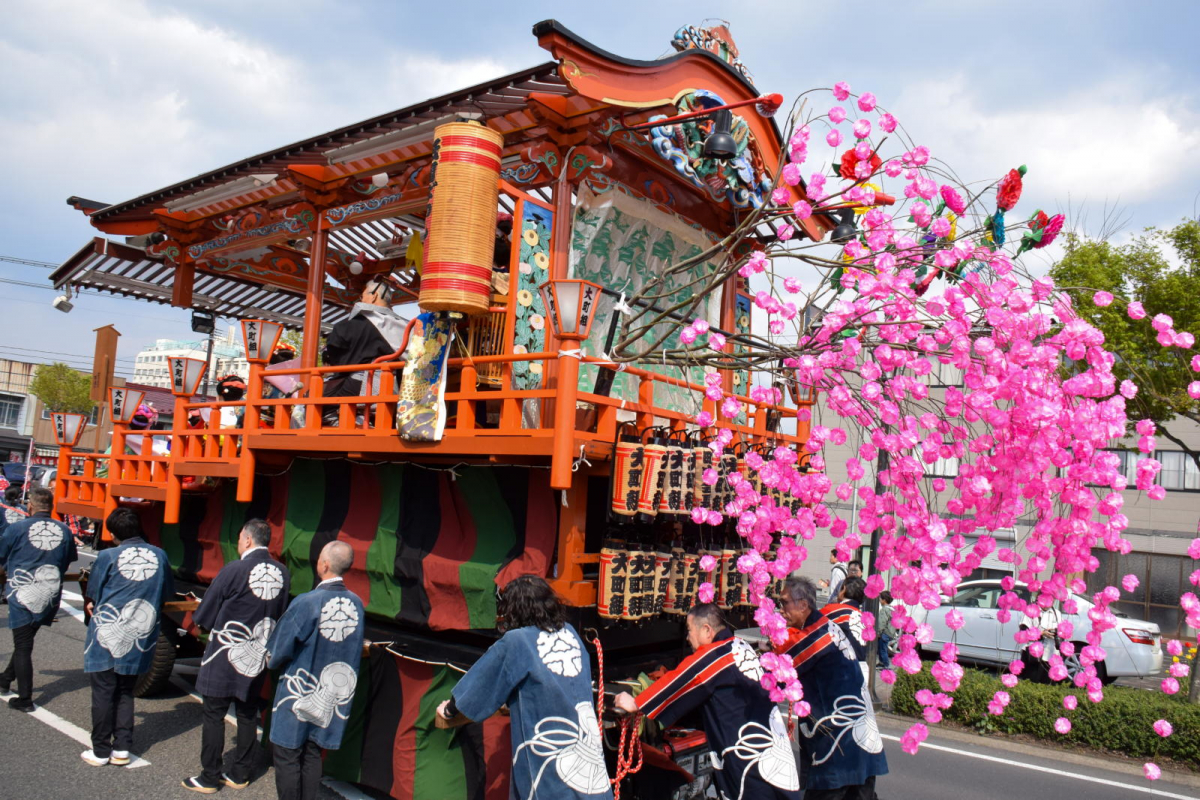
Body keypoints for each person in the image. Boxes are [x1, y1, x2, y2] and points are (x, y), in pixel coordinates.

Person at [438, 575, 612, 800]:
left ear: (514, 609)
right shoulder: (570, 632)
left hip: (552, 756)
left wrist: (451, 709)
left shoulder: (517, 641)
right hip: (589, 756)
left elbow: (481, 684)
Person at [615, 603, 800, 800]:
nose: (687, 637)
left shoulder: (716, 656)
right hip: (772, 753)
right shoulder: (740, 646)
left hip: (752, 758)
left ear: (706, 630)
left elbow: (683, 678)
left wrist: (637, 703)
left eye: (689, 630)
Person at [182, 519, 290, 794]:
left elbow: (205, 614)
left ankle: (209, 776)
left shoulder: (235, 569)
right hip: (258, 653)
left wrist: (201, 620)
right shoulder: (282, 573)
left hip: (225, 652)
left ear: (248, 540)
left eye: (241, 536)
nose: (240, 541)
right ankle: (240, 773)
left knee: (214, 713)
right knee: (246, 712)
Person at [266, 541, 364, 800]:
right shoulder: (357, 604)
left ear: (325, 564)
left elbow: (279, 649)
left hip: (301, 690)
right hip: (333, 694)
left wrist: (271, 660)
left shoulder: (307, 601)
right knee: (312, 752)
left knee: (287, 752)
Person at [777, 576, 886, 799]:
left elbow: (778, 673)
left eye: (784, 602)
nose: (780, 609)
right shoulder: (825, 628)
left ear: (803, 605)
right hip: (859, 740)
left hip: (838, 747)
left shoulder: (815, 636)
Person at [82, 507, 173, 766]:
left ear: (112, 533)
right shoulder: (160, 555)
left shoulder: (108, 556)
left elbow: (95, 593)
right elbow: (166, 592)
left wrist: (93, 605)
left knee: (103, 690)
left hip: (107, 632)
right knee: (125, 690)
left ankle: (100, 750)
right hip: (139, 634)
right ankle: (122, 748)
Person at [0, 487, 76, 711]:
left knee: (23, 645)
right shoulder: (64, 530)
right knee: (26, 638)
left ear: (30, 506)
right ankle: (5, 679)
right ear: (51, 507)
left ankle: (25, 699)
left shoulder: (17, 528)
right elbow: (68, 559)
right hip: (51, 592)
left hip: (22, 590)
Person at [322, 277, 407, 401]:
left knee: (306, 404)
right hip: (399, 391)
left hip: (359, 387)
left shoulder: (348, 326)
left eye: (361, 297)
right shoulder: (406, 326)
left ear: (374, 296)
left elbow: (336, 359)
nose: (360, 300)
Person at [0, 484, 29, 605]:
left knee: (2, 567)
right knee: (14, 568)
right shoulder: (24, 509)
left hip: (3, 539)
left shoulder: (1, 507)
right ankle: (10, 592)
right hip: (19, 542)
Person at [875, 592, 894, 670]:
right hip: (890, 632)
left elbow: (882, 622)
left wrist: (878, 632)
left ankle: (886, 665)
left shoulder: (884, 610)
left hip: (884, 633)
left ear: (884, 600)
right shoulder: (892, 609)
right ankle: (881, 663)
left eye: (880, 598)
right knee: (882, 648)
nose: (879, 600)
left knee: (882, 649)